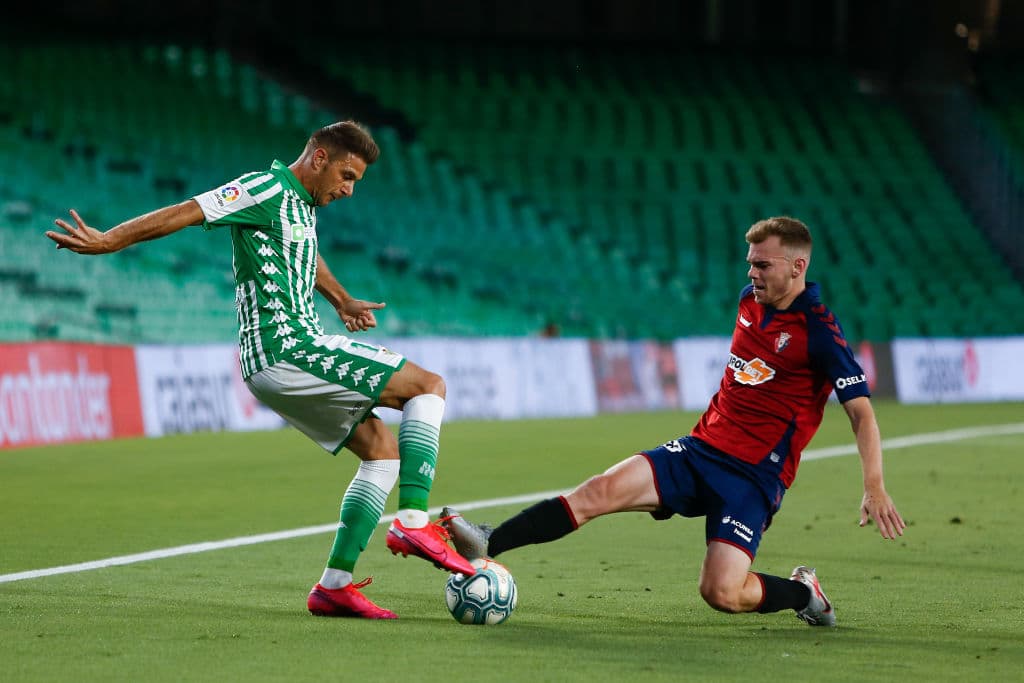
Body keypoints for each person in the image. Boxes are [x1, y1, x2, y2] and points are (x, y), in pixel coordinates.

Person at [46, 120, 474, 620]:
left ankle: (334, 586)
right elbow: (188, 211)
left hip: (279, 358)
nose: (349, 189)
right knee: (428, 386)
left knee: (381, 452)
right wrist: (109, 241)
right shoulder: (262, 188)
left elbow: (304, 257)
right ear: (319, 158)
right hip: (287, 347)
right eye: (347, 174)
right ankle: (413, 522)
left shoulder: (302, 206)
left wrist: (340, 299)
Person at [443, 216, 906, 627]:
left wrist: (875, 485)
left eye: (763, 265)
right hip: (699, 451)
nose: (751, 273)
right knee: (597, 492)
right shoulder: (750, 301)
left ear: (797, 267)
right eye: (750, 263)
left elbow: (861, 414)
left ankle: (804, 593)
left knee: (721, 593)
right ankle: (489, 542)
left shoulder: (821, 333)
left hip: (753, 478)